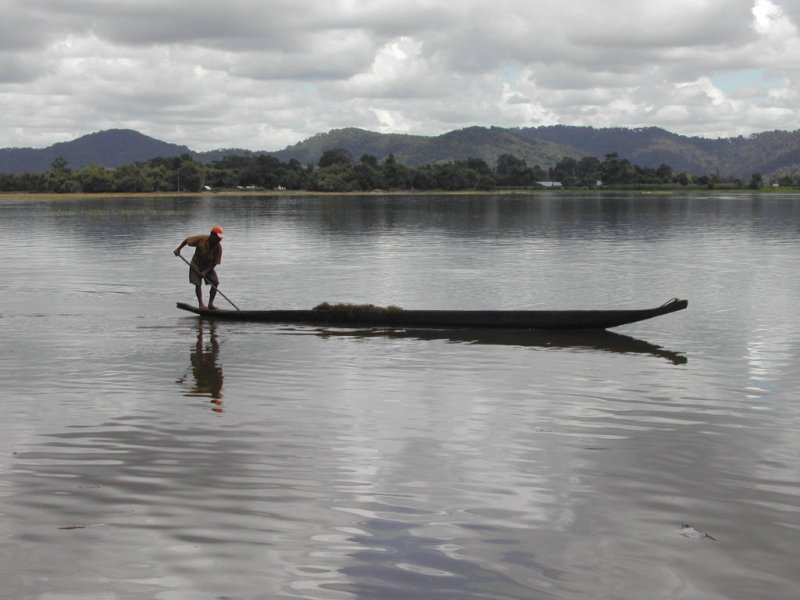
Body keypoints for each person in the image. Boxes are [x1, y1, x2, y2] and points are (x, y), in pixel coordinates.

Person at [174, 226, 224, 309]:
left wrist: (206, 271)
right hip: (196, 265)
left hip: (208, 266)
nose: (219, 240)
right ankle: (201, 304)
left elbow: (215, 262)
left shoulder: (218, 247)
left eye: (220, 238)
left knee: (215, 283)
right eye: (218, 238)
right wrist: (178, 249)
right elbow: (187, 240)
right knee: (198, 284)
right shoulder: (202, 239)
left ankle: (210, 304)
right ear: (212, 235)